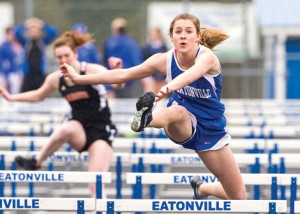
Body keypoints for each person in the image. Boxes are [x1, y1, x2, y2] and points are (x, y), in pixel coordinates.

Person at [61, 13, 246, 200]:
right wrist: (79, 78)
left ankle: (202, 189)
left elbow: (192, 74)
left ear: (197, 36)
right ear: (171, 37)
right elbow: (123, 75)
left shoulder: (206, 56)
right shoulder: (164, 59)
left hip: (210, 129)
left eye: (188, 31)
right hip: (181, 121)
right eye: (178, 31)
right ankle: (146, 119)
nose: (183, 35)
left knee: (239, 198)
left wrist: (168, 87)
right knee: (178, 111)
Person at [0, 31, 124, 198]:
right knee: (66, 128)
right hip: (78, 128)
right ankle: (36, 161)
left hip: (101, 131)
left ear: (75, 54)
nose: (63, 60)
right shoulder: (55, 78)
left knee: (95, 184)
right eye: (59, 57)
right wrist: (12, 97)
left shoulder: (92, 70)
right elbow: (38, 95)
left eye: (67, 55)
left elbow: (118, 84)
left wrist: (117, 71)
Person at [14, 17, 58, 92]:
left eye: (36, 30)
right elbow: (16, 32)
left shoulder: (43, 42)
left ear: (40, 32)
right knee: (24, 94)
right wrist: (26, 25)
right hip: (28, 74)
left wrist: (42, 25)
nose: (34, 32)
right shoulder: (26, 42)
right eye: (32, 30)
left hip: (40, 73)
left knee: (42, 93)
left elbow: (54, 32)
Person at [103, 17, 143, 98]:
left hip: (112, 80)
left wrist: (107, 86)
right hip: (128, 79)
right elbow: (136, 61)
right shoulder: (131, 43)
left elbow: (105, 62)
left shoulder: (109, 42)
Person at [141, 27, 168, 94]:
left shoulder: (164, 47)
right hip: (150, 75)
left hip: (161, 76)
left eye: (154, 33)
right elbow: (143, 60)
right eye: (151, 34)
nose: (153, 35)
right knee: (150, 94)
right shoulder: (146, 48)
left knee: (161, 94)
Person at [0, 26, 25, 94]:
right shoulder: (4, 46)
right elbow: (2, 63)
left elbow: (21, 62)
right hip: (7, 73)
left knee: (16, 91)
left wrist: (21, 74)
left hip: (17, 73)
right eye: (11, 34)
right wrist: (4, 77)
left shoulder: (21, 45)